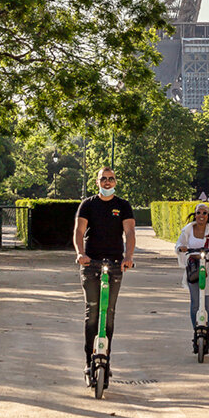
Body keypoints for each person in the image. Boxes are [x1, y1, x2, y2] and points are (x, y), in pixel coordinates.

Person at [74, 166, 135, 388]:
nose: (107, 182)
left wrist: (128, 256)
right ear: (97, 182)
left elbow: (129, 232)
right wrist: (81, 254)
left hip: (115, 264)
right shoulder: (88, 204)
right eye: (103, 179)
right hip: (91, 264)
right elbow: (79, 232)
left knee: (108, 314)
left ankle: (105, 361)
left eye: (111, 179)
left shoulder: (123, 205)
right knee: (92, 313)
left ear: (115, 182)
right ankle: (89, 362)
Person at [174, 205, 209, 354]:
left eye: (204, 213)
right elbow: (179, 244)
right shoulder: (188, 230)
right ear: (195, 214)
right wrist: (181, 248)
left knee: (208, 303)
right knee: (195, 302)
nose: (201, 216)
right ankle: (196, 332)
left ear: (208, 215)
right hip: (194, 269)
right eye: (199, 213)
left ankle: (207, 333)